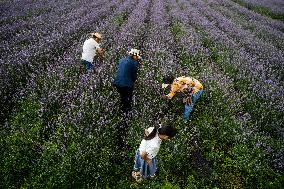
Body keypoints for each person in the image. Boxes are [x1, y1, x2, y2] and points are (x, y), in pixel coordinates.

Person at [113, 48, 142, 117]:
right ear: (134, 56)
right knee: (128, 99)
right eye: (137, 57)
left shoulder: (122, 60)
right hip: (126, 85)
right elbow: (134, 77)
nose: (137, 59)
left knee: (122, 97)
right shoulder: (134, 63)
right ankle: (126, 114)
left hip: (117, 82)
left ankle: (121, 110)